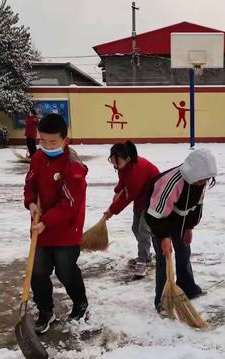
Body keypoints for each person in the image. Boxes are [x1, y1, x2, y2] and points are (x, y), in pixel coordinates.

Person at [23, 113, 88, 334]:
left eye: (53, 142)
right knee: (37, 271)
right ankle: (45, 311)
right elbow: (30, 183)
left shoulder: (73, 166)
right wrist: (30, 202)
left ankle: (80, 302)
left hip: (66, 228)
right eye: (43, 141)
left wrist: (46, 223)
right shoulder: (38, 159)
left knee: (65, 270)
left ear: (64, 140)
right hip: (41, 226)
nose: (47, 146)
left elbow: (69, 204)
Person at [145, 149, 217, 313]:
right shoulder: (171, 183)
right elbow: (155, 215)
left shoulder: (201, 181)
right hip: (158, 219)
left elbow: (197, 206)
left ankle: (187, 287)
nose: (204, 183)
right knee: (165, 260)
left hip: (180, 221)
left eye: (206, 179)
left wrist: (189, 227)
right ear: (192, 174)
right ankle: (162, 299)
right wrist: (163, 237)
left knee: (184, 253)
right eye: (201, 180)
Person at [103, 141, 160, 276]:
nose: (115, 166)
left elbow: (127, 197)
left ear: (127, 159)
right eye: (112, 162)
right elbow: (123, 181)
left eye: (118, 163)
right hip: (142, 196)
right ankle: (146, 255)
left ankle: (143, 260)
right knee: (136, 228)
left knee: (143, 230)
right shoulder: (124, 166)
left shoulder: (136, 171)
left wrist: (111, 210)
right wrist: (118, 190)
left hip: (154, 197)